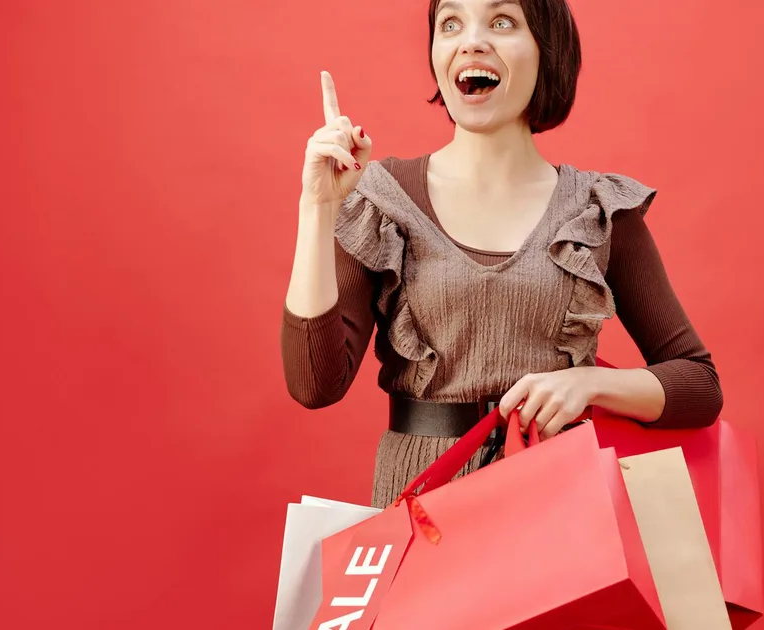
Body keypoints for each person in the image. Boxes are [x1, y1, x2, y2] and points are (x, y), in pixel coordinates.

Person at [282, 0, 722, 508]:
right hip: (422, 513)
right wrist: (317, 206)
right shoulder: (380, 199)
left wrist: (591, 384)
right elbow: (315, 384)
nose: (471, 40)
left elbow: (700, 384)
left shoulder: (597, 210)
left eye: (502, 21)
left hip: (557, 506)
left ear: (546, 50)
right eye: (451, 23)